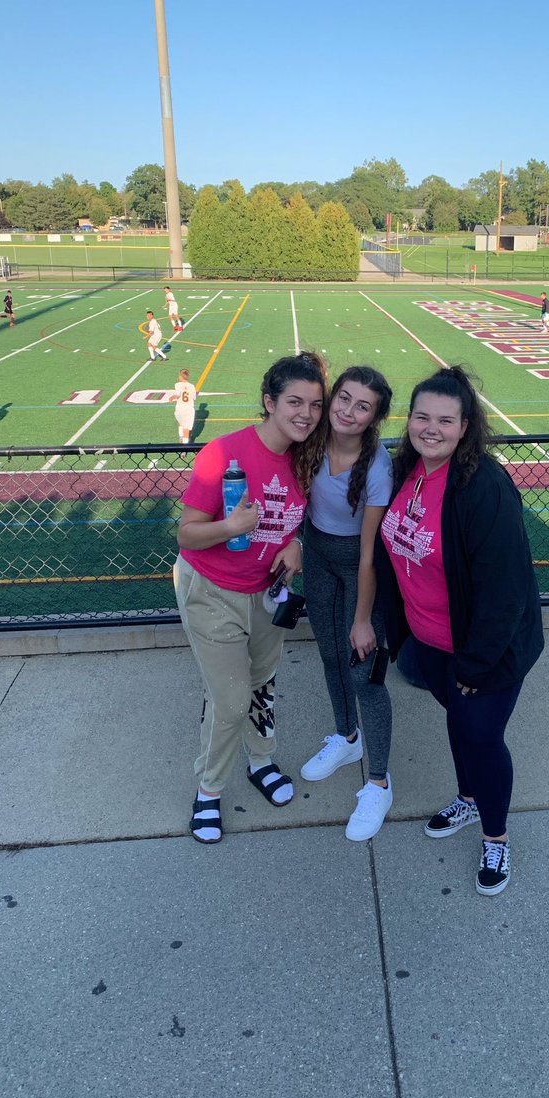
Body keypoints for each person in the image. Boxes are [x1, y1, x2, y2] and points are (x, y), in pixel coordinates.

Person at [377, 366, 544, 895]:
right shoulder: (406, 468)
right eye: (421, 416)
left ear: (466, 425)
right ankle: (468, 801)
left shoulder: (483, 487)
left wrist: (476, 663)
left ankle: (496, 835)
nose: (432, 428)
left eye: (445, 420)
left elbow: (505, 590)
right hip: (429, 642)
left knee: (481, 736)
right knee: (459, 726)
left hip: (481, 651)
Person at [174, 351, 326, 844]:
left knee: (261, 685)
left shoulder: (308, 456)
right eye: (294, 402)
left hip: (267, 592)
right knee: (232, 701)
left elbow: (301, 519)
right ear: (269, 402)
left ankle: (261, 761)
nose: (306, 413)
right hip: (213, 592)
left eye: (315, 405)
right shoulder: (222, 453)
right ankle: (209, 789)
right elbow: (187, 535)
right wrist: (230, 526)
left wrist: (297, 543)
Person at [298, 367, 394, 841]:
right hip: (317, 556)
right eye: (344, 398)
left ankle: (379, 781)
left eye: (363, 406)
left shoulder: (376, 466)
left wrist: (361, 618)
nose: (348, 411)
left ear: (374, 418)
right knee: (329, 653)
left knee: (364, 673)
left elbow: (370, 552)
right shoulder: (312, 440)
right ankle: (346, 737)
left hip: (359, 564)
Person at [169, 368, 197, 445]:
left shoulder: (177, 384)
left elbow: (177, 394)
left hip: (180, 409)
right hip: (188, 410)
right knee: (186, 429)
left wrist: (171, 398)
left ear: (180, 377)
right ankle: (184, 450)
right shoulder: (192, 386)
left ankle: (181, 438)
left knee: (180, 423)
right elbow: (194, 397)